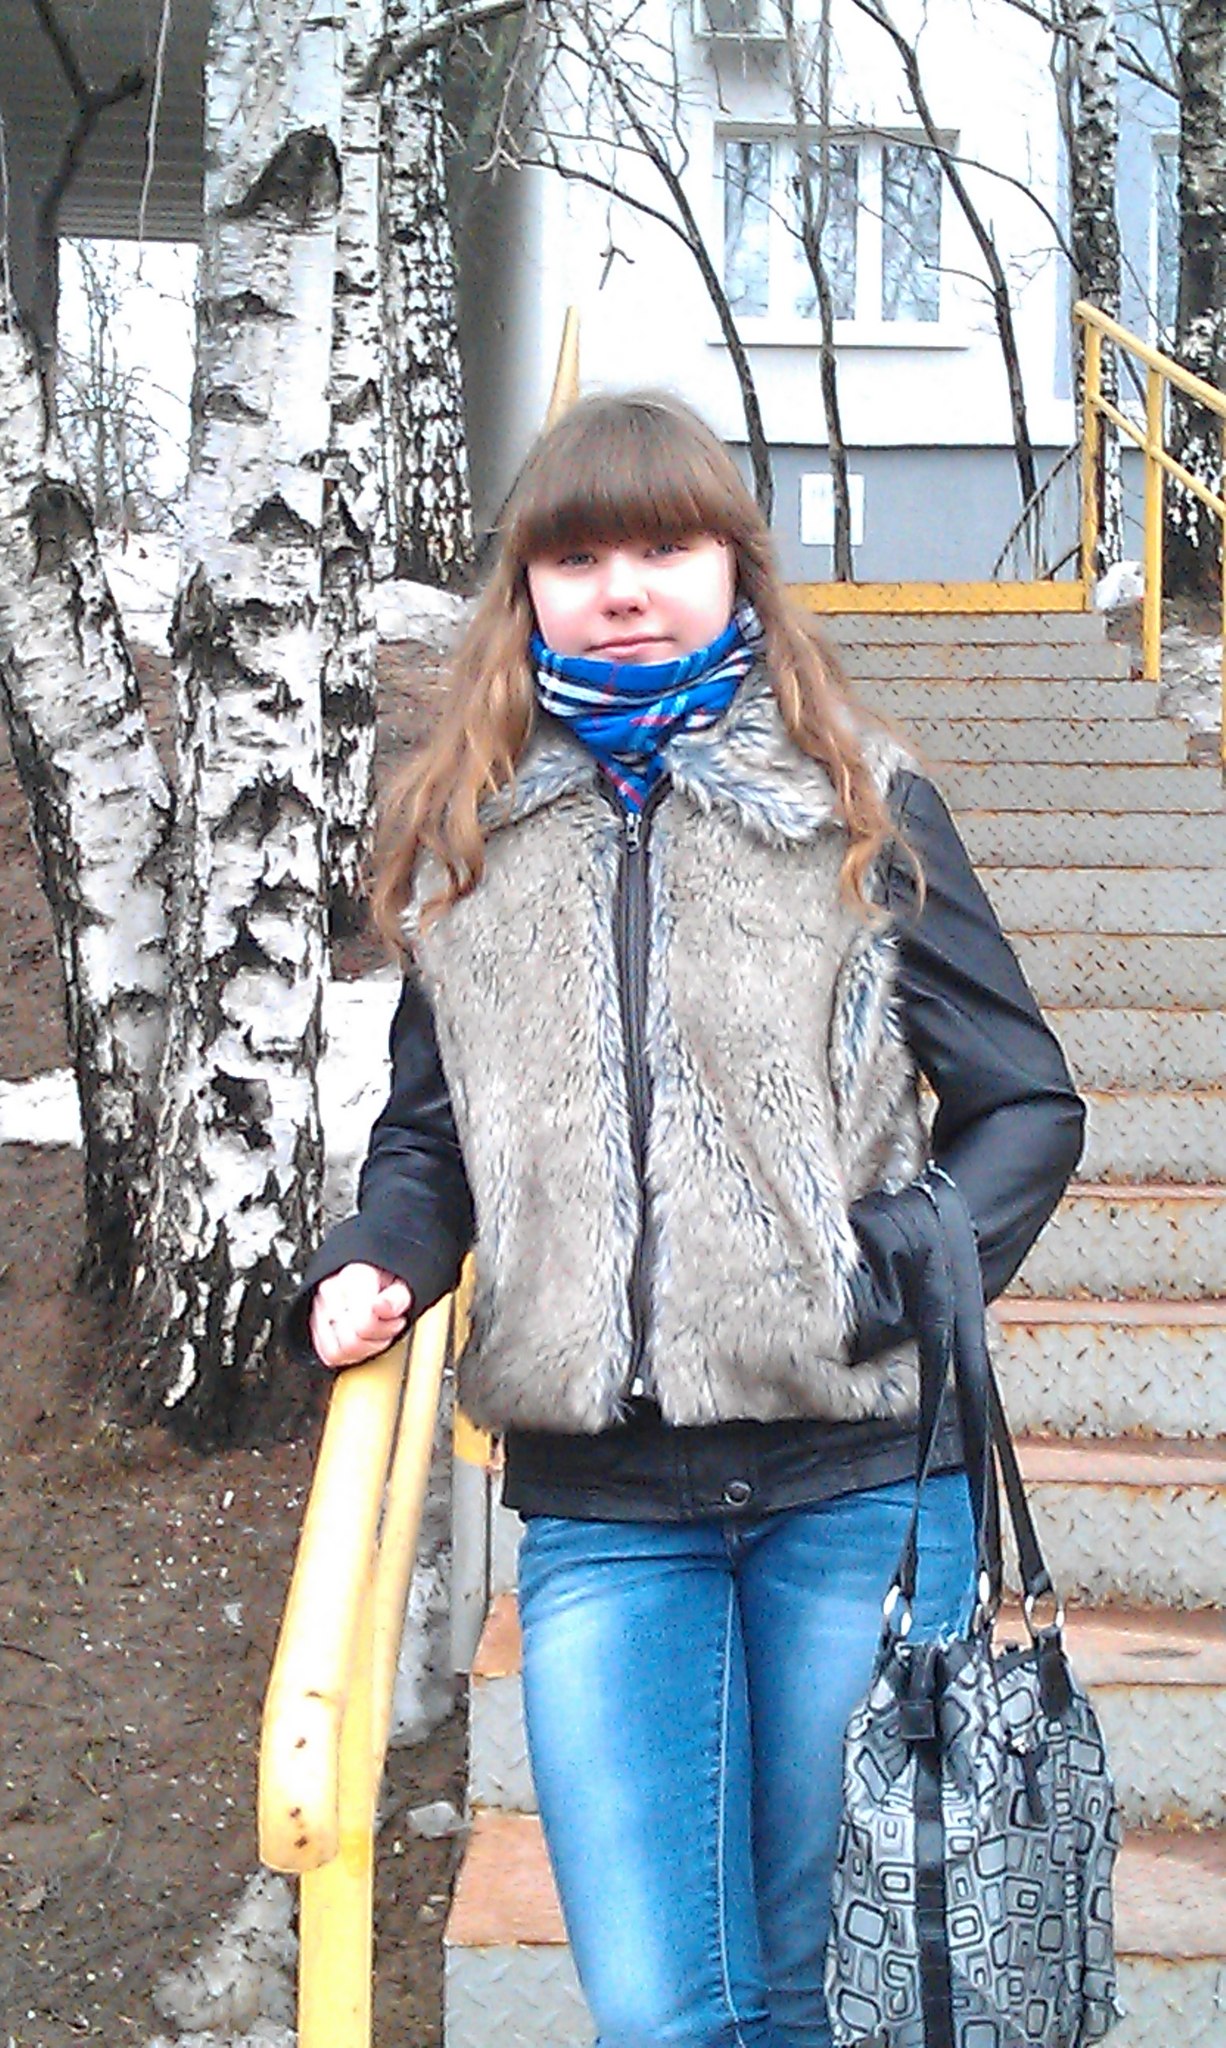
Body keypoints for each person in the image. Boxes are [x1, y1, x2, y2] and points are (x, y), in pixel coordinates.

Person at [290, 392, 1085, 2048]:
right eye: (577, 558)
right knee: (662, 2009)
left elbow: (1023, 1102)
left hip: (857, 1486)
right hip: (603, 1511)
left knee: (824, 1998)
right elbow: (431, 1136)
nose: (623, 589)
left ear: (735, 567)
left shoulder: (856, 803)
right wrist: (379, 1256)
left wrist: (880, 1274)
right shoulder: (466, 834)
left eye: (663, 547)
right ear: (526, 587)